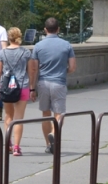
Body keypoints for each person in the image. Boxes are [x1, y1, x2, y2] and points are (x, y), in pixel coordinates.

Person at [29, 16, 76, 156]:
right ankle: (54, 133)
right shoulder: (66, 45)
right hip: (59, 82)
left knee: (45, 114)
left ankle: (49, 145)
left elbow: (33, 68)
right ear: (58, 29)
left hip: (43, 83)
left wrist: (32, 88)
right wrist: (63, 71)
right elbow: (73, 67)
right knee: (59, 114)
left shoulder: (38, 46)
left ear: (45, 30)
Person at [0, 27, 32, 156]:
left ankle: (8, 144)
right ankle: (17, 147)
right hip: (22, 86)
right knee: (19, 118)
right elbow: (30, 70)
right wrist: (32, 88)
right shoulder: (26, 53)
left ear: (8, 38)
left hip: (6, 88)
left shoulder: (2, 53)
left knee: (8, 116)